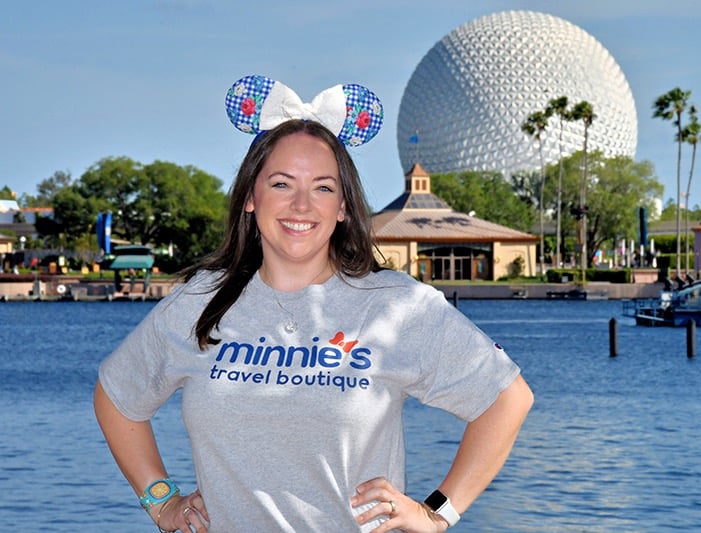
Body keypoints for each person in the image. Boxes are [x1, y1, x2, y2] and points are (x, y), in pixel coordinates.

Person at [94, 75, 533, 532]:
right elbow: (116, 398)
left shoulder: (398, 307)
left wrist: (436, 512)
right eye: (282, 184)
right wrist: (161, 500)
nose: (301, 205)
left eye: (323, 187)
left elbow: (506, 398)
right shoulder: (201, 301)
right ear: (250, 196)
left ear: (343, 206)